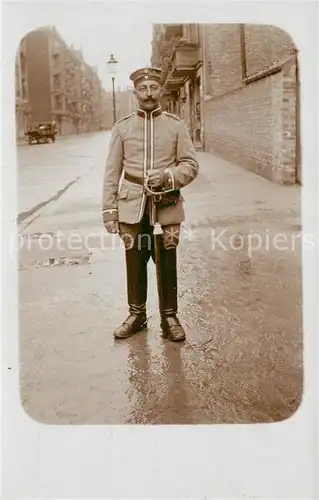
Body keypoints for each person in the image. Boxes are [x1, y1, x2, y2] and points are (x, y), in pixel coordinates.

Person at [102, 67, 199, 342]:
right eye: (142, 89)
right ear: (135, 93)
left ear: (160, 91)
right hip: (131, 207)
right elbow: (112, 172)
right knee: (134, 261)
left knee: (166, 261)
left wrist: (168, 176)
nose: (148, 94)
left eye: (153, 88)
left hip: (166, 207)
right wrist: (110, 212)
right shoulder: (122, 128)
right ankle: (137, 315)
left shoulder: (176, 125)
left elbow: (191, 165)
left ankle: (170, 317)